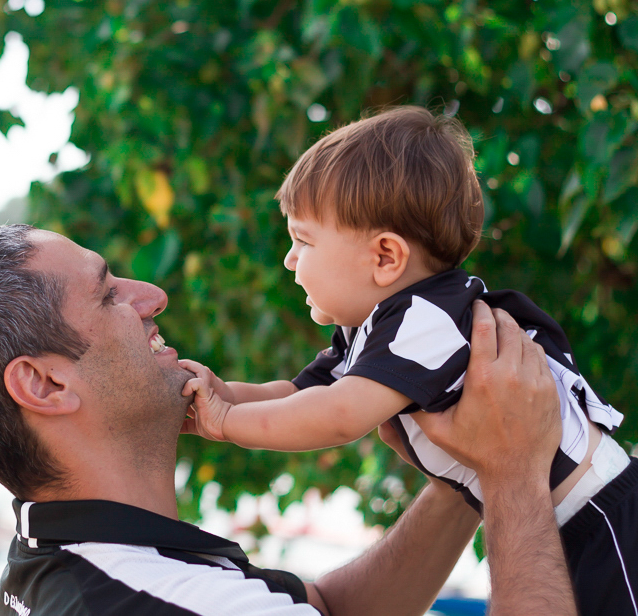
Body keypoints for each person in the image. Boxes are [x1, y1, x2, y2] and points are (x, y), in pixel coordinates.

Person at [0, 224, 576, 615]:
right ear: (44, 383)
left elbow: (326, 611)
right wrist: (514, 476)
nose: (152, 295)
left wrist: (464, 477)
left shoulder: (55, 563)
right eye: (108, 295)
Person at [181, 106, 636, 616]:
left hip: (605, 519)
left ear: (385, 258)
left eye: (303, 240)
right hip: (561, 523)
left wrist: (226, 422)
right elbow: (297, 394)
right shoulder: (380, 325)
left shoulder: (426, 320)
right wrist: (220, 395)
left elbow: (337, 416)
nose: (289, 259)